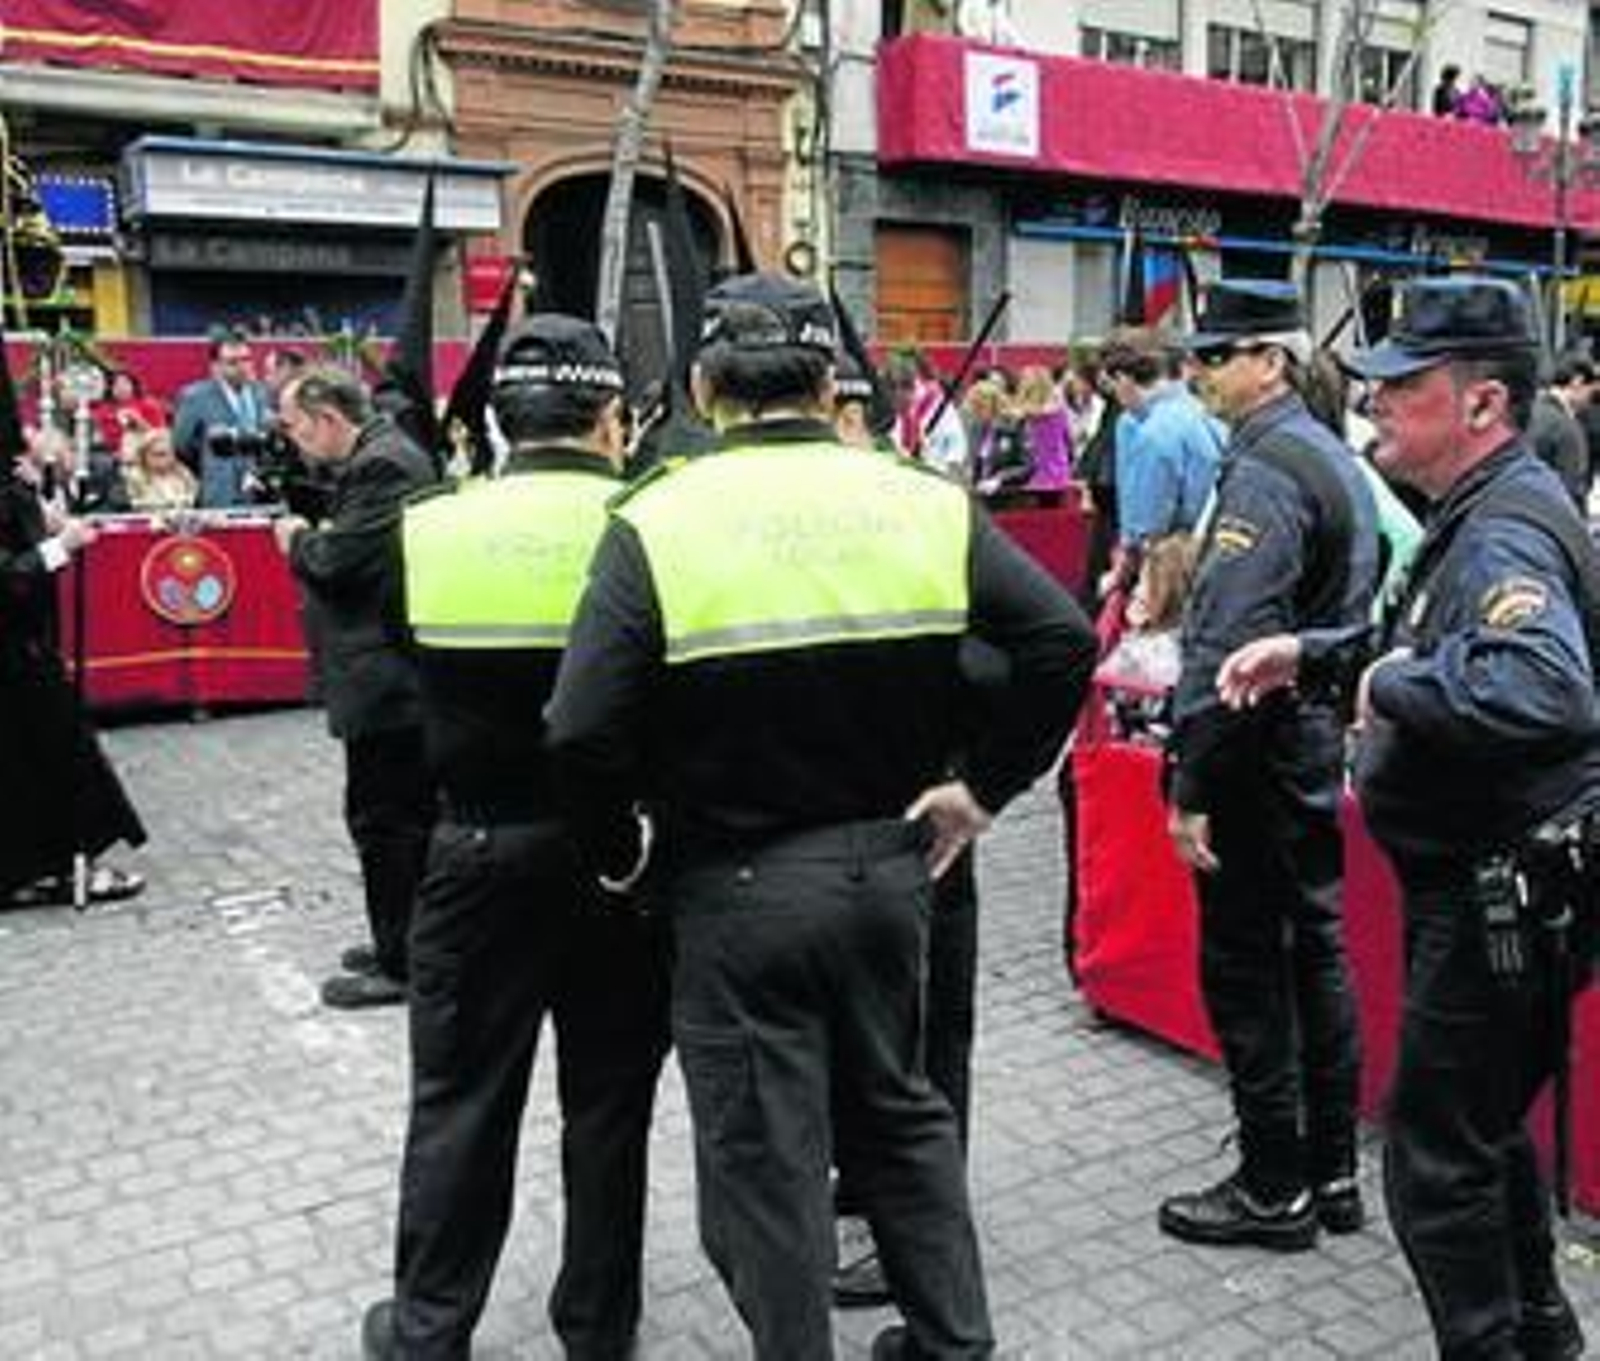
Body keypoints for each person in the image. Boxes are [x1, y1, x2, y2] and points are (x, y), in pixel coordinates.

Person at [546, 272, 1098, 1360]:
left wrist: (620, 852)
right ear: (829, 380)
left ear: (705, 386)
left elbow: (578, 726)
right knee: (900, 1117)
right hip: (890, 873)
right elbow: (1061, 639)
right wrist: (983, 789)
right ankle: (952, 1343)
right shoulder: (920, 499)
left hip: (736, 886)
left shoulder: (656, 515)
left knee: (763, 1163)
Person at [1219, 276, 1599, 1360]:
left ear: (1480, 405)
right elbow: (1429, 643)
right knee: (1479, 1135)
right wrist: (1321, 655)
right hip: (1499, 888)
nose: (1374, 404)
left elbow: (1541, 687)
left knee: (1435, 1160)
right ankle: (1539, 1332)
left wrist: (1385, 687)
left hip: (1499, 894)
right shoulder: (1482, 510)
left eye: (1402, 386)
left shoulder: (1502, 530)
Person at [360, 316, 670, 1360]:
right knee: (608, 1106)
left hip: (476, 850)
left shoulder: (429, 522)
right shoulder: (649, 518)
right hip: (618, 857)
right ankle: (597, 1326)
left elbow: (399, 682)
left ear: (497, 417)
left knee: (458, 1101)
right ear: (611, 415)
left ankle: (427, 1327)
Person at [1158, 280, 1381, 1252]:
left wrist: (1190, 783)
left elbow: (1226, 648)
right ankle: (1328, 1169)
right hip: (1306, 735)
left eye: (1216, 356)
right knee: (1314, 954)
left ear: (1270, 362)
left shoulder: (1269, 468)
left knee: (1251, 968)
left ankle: (1273, 1182)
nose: (1197, 372)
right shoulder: (1324, 453)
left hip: (1259, 748)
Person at [274, 367, 438, 1009]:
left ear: (326, 418)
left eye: (294, 427)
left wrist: (299, 540)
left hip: (389, 681)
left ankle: (404, 961)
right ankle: (399, 940)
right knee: (391, 819)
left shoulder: (384, 465)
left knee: (388, 824)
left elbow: (342, 564)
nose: (293, 442)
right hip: (386, 679)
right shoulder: (379, 457)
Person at [1, 341, 146, 909]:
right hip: (15, 656)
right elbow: (11, 575)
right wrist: (60, 545)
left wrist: (41, 504)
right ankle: (61, 866)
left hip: (23, 651)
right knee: (52, 761)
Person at [1098, 325, 1225, 601]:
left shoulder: (1152, 434)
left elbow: (1146, 531)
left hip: (1170, 579)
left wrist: (1117, 577)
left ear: (1123, 379)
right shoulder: (1209, 417)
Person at [173, 332, 272, 509]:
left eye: (246, 359)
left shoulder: (264, 393)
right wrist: (211, 468)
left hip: (263, 492)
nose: (242, 366)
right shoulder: (194, 397)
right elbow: (181, 447)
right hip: (220, 493)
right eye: (233, 362)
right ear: (215, 365)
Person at [1528, 355, 1596, 510]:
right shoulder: (1566, 428)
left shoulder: (1528, 412)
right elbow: (1571, 490)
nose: (1589, 402)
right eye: (1591, 393)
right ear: (1577, 382)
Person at [123, 425, 198, 514]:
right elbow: (133, 506)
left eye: (166, 454)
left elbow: (195, 500)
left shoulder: (184, 474)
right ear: (144, 455)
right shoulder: (133, 476)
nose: (162, 460)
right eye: (157, 454)